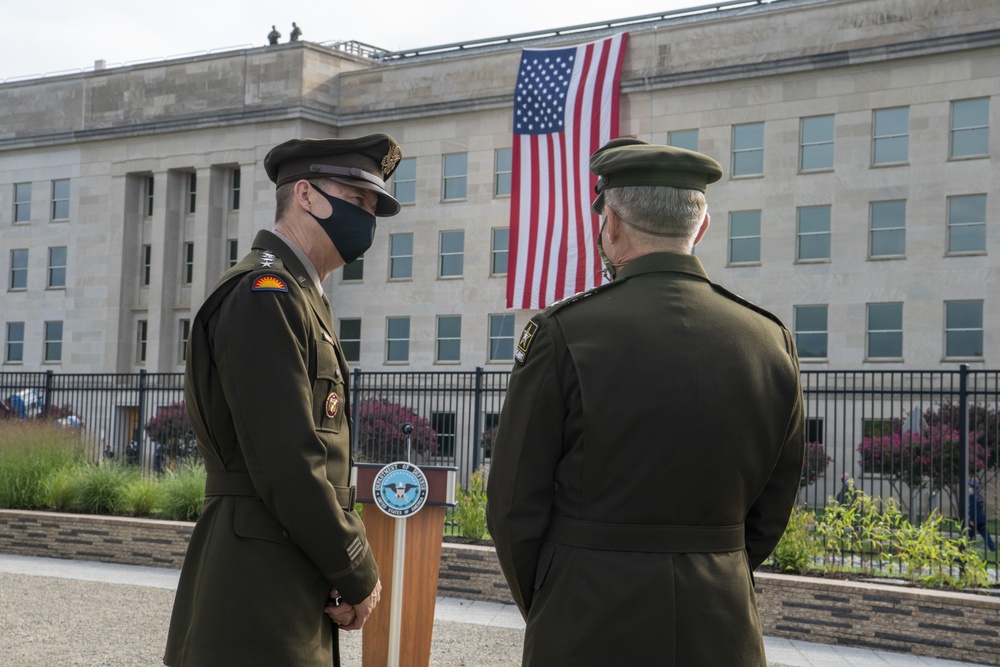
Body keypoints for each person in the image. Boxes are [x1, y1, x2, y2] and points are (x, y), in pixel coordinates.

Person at [486, 139, 805, 666]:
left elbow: (514, 502)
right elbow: (774, 502)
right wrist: (717, 563)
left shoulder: (564, 333)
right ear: (701, 227)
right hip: (722, 617)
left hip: (587, 613)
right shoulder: (768, 338)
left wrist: (553, 597)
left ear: (609, 224)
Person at [164, 134, 404, 666]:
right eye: (358, 200)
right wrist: (355, 568)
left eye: (372, 208)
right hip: (256, 588)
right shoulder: (265, 293)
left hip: (290, 574)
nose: (366, 218)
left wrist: (340, 567)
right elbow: (288, 460)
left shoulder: (297, 294)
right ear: (306, 195)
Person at [968, 481, 996, 551]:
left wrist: (972, 519)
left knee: (969, 535)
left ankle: (966, 547)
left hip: (975, 519)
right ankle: (992, 548)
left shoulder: (972, 497)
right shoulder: (980, 496)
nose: (969, 489)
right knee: (986, 535)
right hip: (982, 519)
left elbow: (972, 509)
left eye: (970, 488)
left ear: (972, 489)